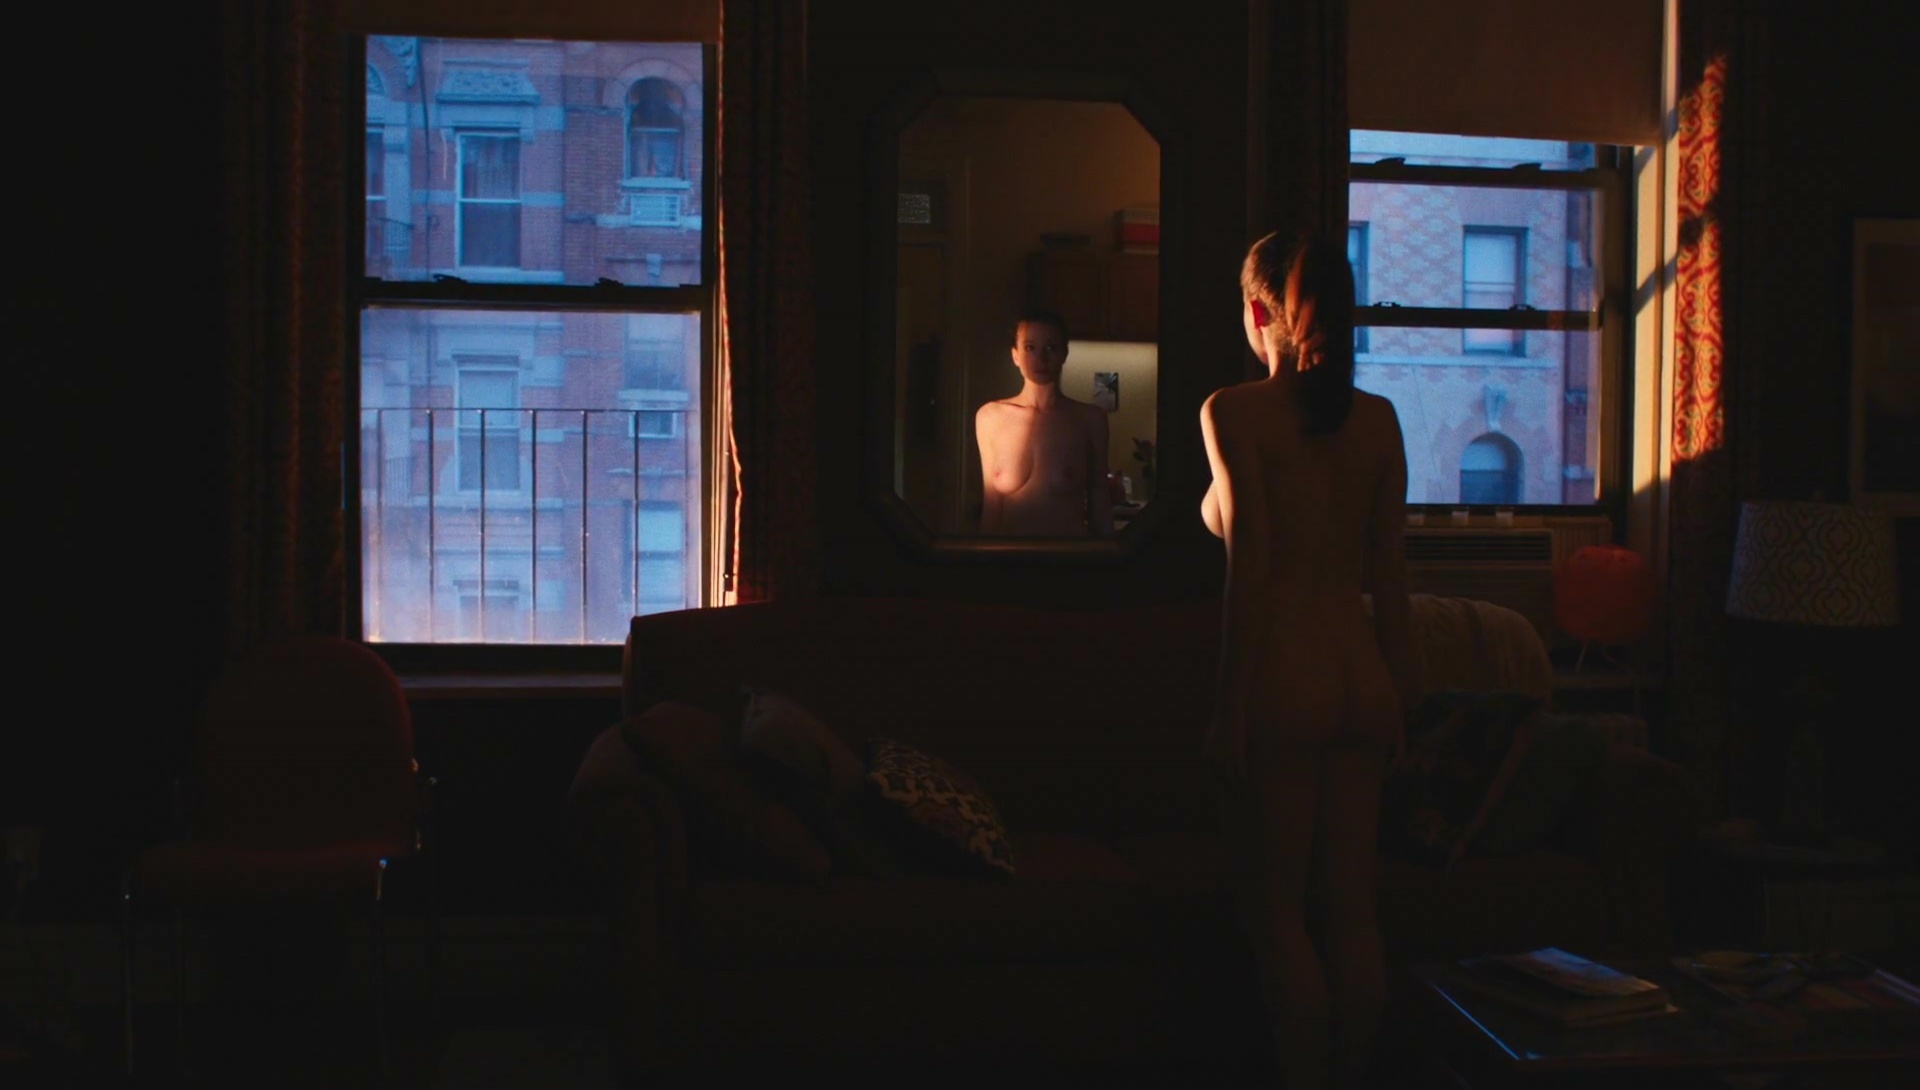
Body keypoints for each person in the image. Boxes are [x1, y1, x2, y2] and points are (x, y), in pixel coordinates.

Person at [1201, 231, 1419, 1089]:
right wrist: (1405, 694)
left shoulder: (1233, 412)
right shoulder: (1380, 420)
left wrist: (1229, 708)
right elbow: (1391, 580)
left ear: (1261, 315)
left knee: (1282, 917)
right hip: (1363, 681)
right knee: (1354, 918)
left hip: (1287, 684)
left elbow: (1250, 570)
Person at [975, 310, 1114, 537]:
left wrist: (1111, 555)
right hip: (1008, 554)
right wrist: (978, 555)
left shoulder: (1089, 419)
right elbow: (991, 507)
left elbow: (1100, 506)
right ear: (1015, 355)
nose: (1041, 358)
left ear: (1064, 354)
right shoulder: (990, 417)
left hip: (1068, 553)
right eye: (1030, 347)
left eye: (1051, 347)